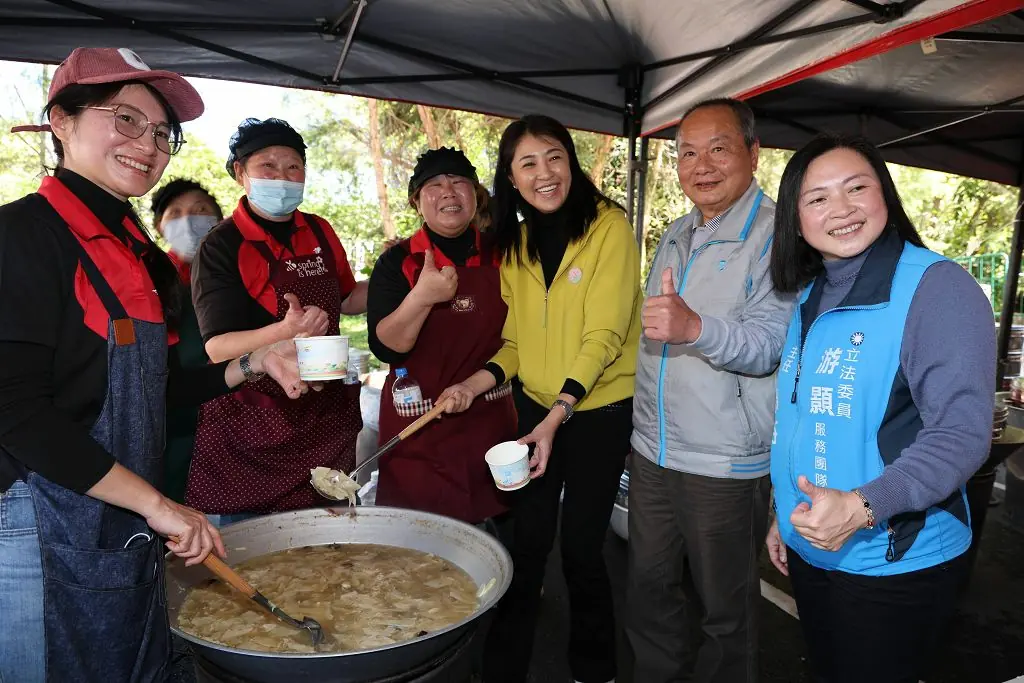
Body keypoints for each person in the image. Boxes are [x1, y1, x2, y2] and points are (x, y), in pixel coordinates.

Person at [0, 47, 311, 683]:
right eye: (124, 119)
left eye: (161, 131)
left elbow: (155, 392)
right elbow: (15, 410)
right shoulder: (23, 236)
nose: (148, 143)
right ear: (62, 121)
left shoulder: (139, 253)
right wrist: (159, 504)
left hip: (117, 513)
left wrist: (254, 362)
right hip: (33, 523)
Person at [765, 134, 994, 683]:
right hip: (815, 544)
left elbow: (961, 435)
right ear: (796, 221)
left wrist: (864, 507)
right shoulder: (810, 295)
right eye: (816, 198)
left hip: (896, 557)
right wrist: (782, 514)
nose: (840, 209)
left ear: (885, 196)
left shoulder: (937, 288)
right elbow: (805, 421)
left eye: (856, 188)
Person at [439, 114, 641, 683]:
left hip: (598, 411)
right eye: (527, 163)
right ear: (511, 176)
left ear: (571, 163)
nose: (544, 173)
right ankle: (504, 670)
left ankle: (594, 669)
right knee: (525, 546)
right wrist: (474, 385)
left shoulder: (608, 229)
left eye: (554, 157)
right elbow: (515, 343)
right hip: (534, 412)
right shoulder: (517, 244)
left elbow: (603, 337)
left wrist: (556, 418)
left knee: (580, 549)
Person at [627, 98, 796, 683]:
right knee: (648, 591)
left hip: (724, 464)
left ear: (753, 153)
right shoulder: (677, 232)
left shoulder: (779, 235)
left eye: (718, 148)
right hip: (653, 451)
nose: (701, 165)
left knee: (727, 614)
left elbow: (769, 344)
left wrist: (694, 327)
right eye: (687, 153)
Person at [188, 117, 368, 521]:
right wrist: (286, 331)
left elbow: (348, 298)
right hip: (255, 429)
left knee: (329, 554)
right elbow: (217, 347)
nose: (282, 177)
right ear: (240, 173)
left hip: (325, 419)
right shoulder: (221, 245)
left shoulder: (319, 230)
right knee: (255, 557)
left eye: (293, 166)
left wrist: (400, 277)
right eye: (268, 165)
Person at [366, 147, 516, 524]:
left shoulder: (504, 255)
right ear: (418, 201)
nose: (448, 191)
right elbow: (385, 345)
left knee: (500, 539)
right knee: (419, 546)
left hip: (490, 421)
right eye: (434, 185)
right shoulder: (398, 262)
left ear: (475, 195)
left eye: (459, 182)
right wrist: (422, 298)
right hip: (420, 429)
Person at [151, 179, 224, 502]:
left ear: (219, 219)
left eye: (200, 211)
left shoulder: (236, 273)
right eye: (176, 213)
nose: (189, 221)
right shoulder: (152, 278)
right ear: (158, 226)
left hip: (236, 419)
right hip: (176, 424)